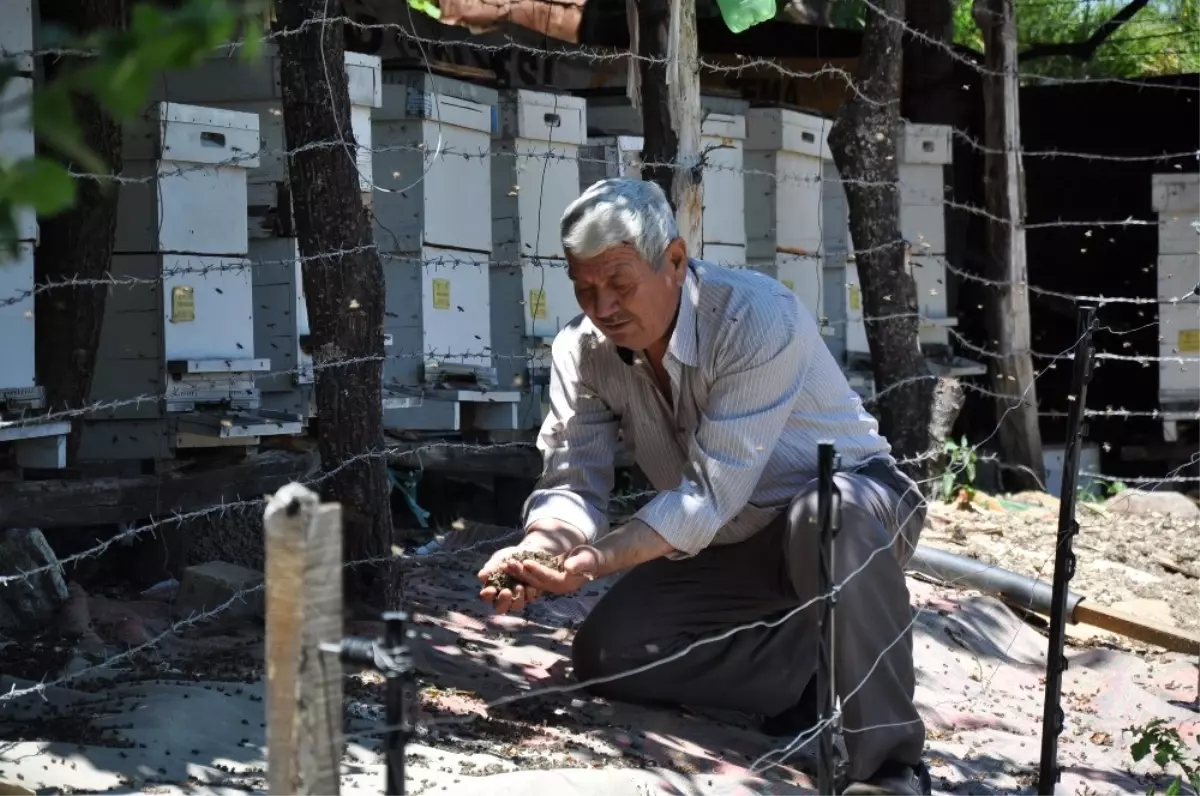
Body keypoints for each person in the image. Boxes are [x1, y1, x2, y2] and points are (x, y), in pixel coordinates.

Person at [476, 177, 930, 796]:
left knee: (826, 513)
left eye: (620, 284)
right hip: (734, 541)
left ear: (676, 260)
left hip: (859, 510)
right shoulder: (580, 351)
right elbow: (573, 481)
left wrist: (590, 563)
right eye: (585, 289)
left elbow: (709, 494)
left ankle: (890, 767)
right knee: (610, 654)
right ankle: (810, 679)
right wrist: (538, 549)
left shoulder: (755, 316)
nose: (603, 306)